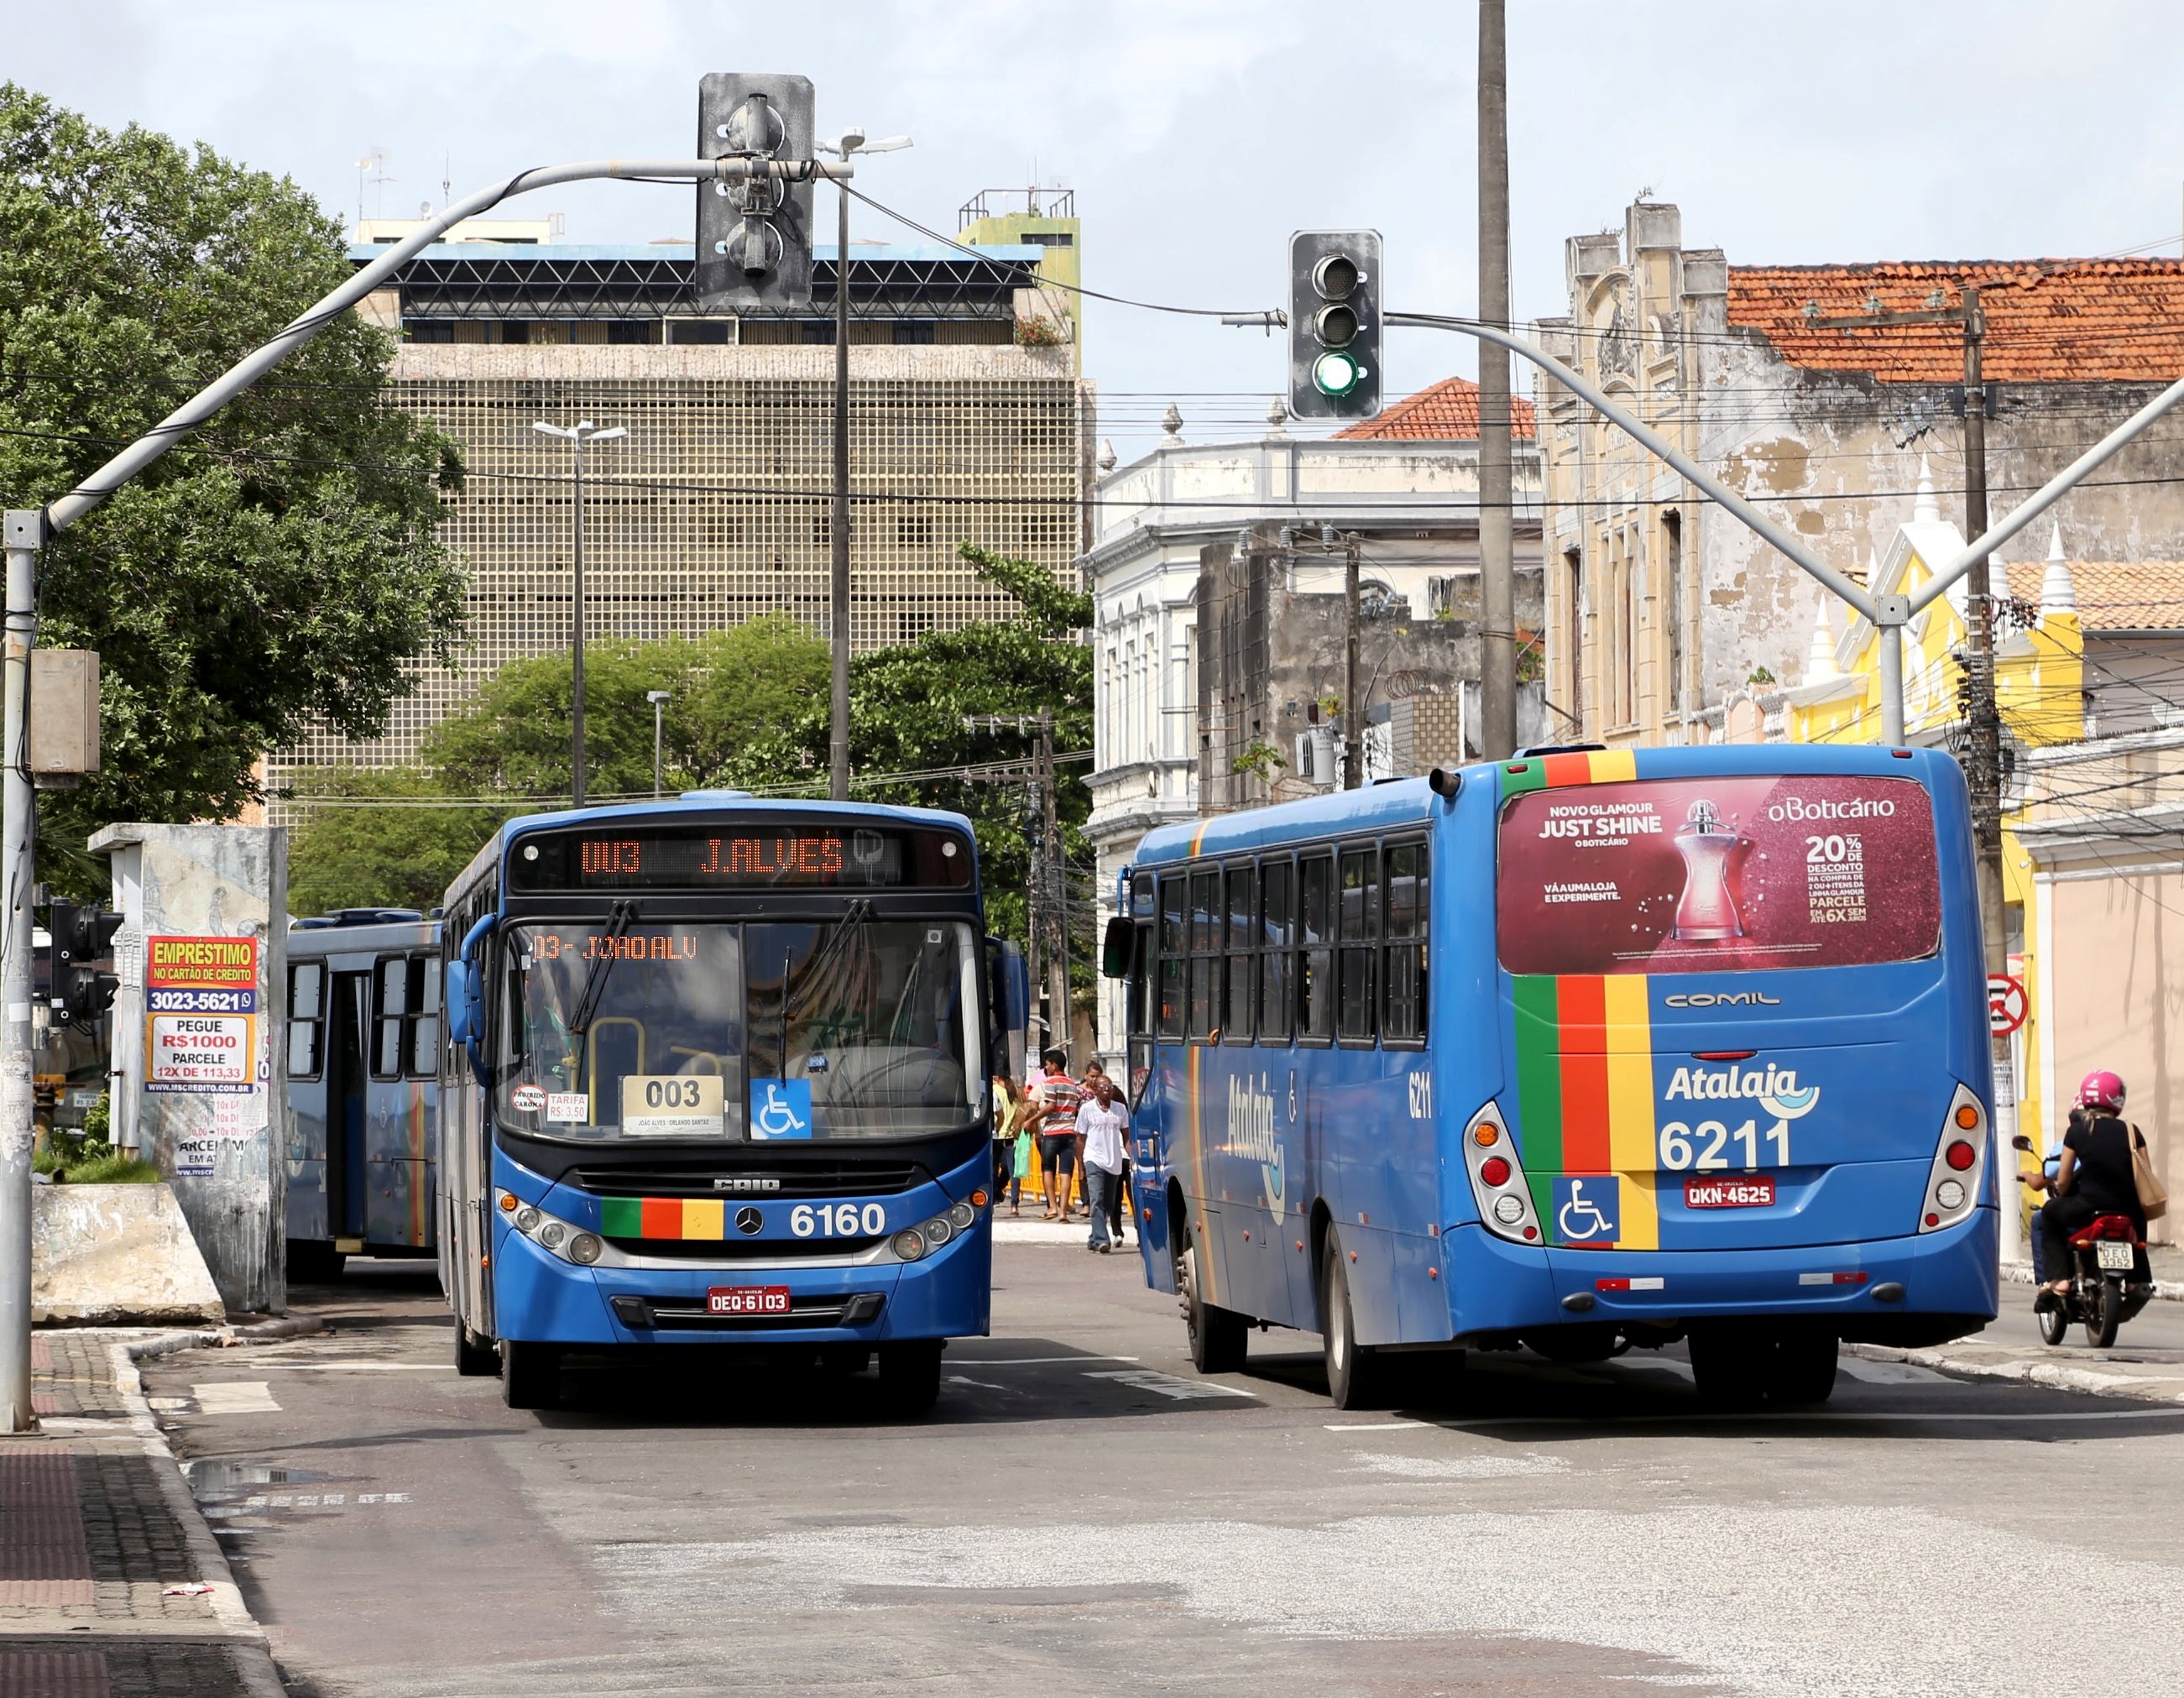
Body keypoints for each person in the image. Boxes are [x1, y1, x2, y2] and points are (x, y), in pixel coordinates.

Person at [2035, 1070, 2150, 1296]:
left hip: (2087, 1207)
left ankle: (2060, 1279)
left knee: (2048, 1213)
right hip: (2128, 1209)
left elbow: (2064, 1179)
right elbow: (2146, 1175)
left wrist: (2062, 1192)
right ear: (2118, 1099)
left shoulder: (2077, 1131)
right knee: (2139, 1221)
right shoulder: (2132, 1131)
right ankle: (2136, 1280)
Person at [1076, 1074, 1130, 1253]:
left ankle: (1093, 1238)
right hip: (1094, 1159)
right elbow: (1080, 1139)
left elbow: (1127, 1137)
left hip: (1114, 1161)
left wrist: (1133, 1159)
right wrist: (1081, 1166)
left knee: (1109, 1204)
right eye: (1103, 1087)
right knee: (1096, 1199)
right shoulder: (1087, 1109)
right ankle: (1101, 1240)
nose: (1107, 1090)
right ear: (1096, 1090)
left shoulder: (1120, 1109)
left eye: (1110, 1087)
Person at [1031, 1049, 1085, 1222]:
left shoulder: (1050, 1082)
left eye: (1047, 1064)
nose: (1046, 1068)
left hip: (1053, 1131)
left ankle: (1052, 1207)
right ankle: (1063, 1211)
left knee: (1048, 1169)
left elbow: (1050, 1106)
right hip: (1069, 1131)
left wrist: (1032, 1120)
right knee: (1066, 1172)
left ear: (1054, 1065)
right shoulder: (1072, 1084)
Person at [991, 1074, 1026, 1214]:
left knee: (993, 1170)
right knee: (1013, 1172)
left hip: (998, 1135)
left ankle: (995, 1197)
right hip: (1013, 1136)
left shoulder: (994, 1090)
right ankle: (1014, 1205)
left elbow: (999, 1116)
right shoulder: (1016, 1091)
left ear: (997, 1078)